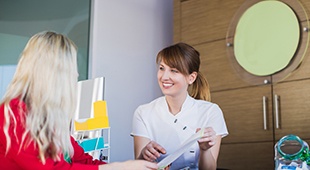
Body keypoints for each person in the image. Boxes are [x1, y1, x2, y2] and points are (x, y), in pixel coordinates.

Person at [0, 31, 158, 170]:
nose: (75, 75)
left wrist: (133, 166)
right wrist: (119, 168)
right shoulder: (13, 113)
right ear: (55, 73)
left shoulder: (49, 121)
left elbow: (84, 161)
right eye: (71, 69)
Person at [131, 42, 228, 170]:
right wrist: (144, 156)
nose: (164, 77)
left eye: (174, 70)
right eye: (161, 68)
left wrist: (205, 150)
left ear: (191, 78)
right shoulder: (143, 112)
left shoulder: (210, 111)